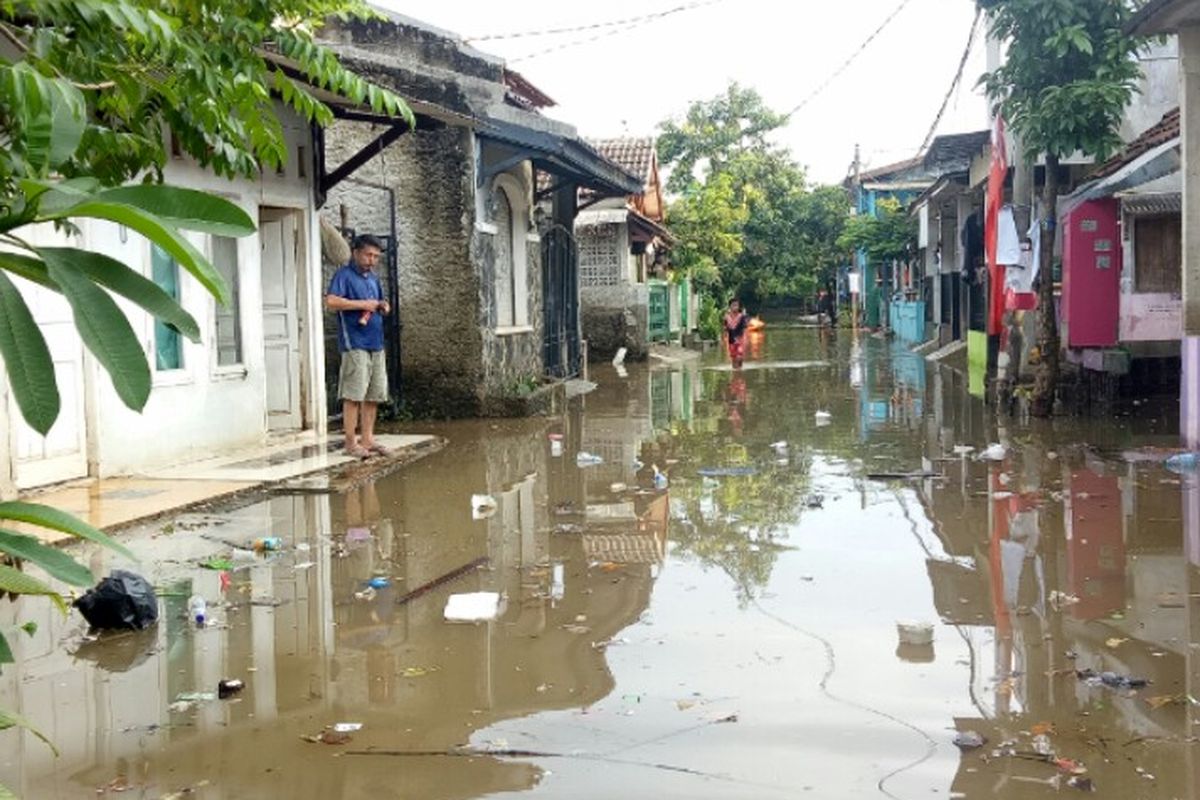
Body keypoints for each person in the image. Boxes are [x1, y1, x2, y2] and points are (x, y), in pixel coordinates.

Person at [327, 234, 391, 458]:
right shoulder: (343, 275)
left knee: (373, 394)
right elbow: (332, 302)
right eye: (368, 255)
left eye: (376, 256)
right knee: (353, 394)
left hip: (376, 343)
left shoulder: (373, 279)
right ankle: (350, 443)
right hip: (355, 343)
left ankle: (368, 440)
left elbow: (382, 301)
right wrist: (362, 304)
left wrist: (384, 306)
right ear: (355, 252)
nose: (372, 260)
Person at [723, 298, 748, 368]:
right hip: (731, 340)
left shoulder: (742, 317)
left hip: (740, 339)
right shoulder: (726, 317)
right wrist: (724, 338)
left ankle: (739, 369)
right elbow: (725, 329)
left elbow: (745, 328)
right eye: (733, 305)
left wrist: (746, 339)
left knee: (739, 356)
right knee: (733, 358)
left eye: (736, 305)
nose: (735, 307)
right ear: (730, 307)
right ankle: (735, 373)